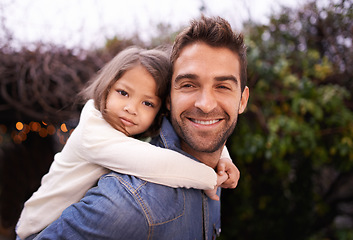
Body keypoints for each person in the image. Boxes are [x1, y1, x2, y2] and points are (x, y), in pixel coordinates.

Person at [30, 15, 249, 239]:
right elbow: (157, 163)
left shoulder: (141, 130)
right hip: (33, 227)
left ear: (242, 100)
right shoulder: (129, 202)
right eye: (188, 85)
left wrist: (222, 161)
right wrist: (211, 178)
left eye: (222, 86)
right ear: (169, 100)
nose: (205, 104)